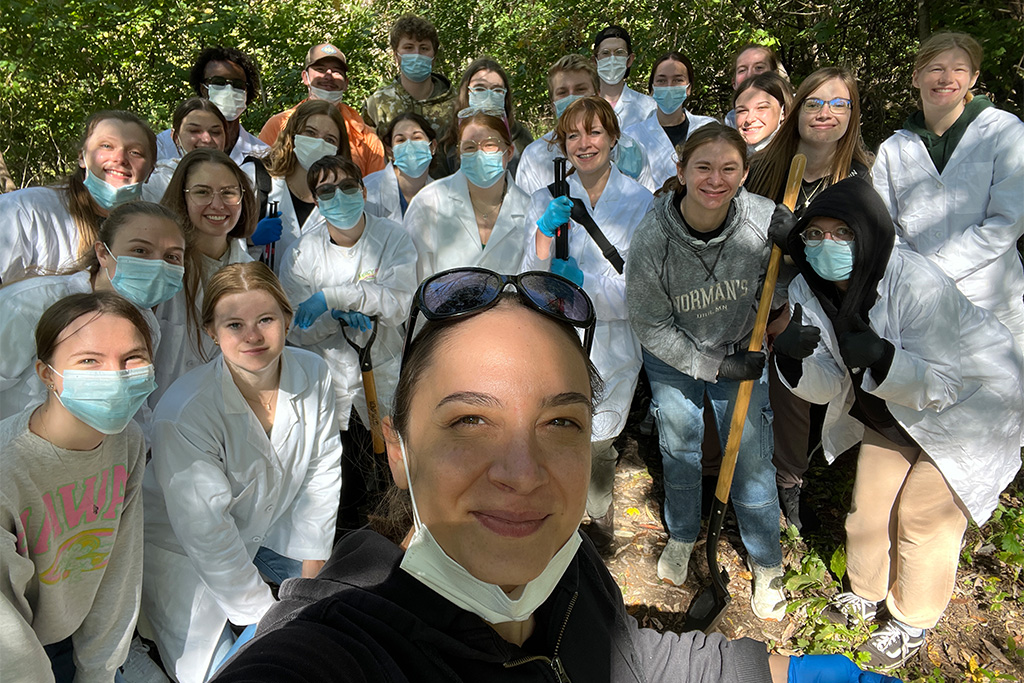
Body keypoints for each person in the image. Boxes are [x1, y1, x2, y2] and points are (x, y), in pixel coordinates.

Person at [210, 267, 900, 683]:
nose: (522, 472)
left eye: (561, 422)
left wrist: (782, 673)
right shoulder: (335, 647)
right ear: (397, 448)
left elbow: (627, 661)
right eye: (469, 422)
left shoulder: (566, 568)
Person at [772, 177, 1023, 669]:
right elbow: (827, 381)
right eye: (815, 235)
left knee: (922, 517)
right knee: (868, 505)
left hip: (971, 409)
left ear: (869, 235)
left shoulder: (915, 282)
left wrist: (884, 357)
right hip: (890, 408)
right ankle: (866, 593)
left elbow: (944, 385)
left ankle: (911, 618)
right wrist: (795, 360)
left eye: (842, 233)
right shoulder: (807, 286)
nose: (827, 246)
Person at [142, 262, 342, 683]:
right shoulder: (185, 411)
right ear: (212, 332)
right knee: (227, 673)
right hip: (185, 555)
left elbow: (321, 475)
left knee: (337, 617)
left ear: (287, 319)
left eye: (265, 319)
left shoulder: (315, 373)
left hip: (268, 533)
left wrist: (311, 577)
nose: (252, 336)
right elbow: (207, 532)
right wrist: (272, 617)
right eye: (234, 324)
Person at [626, 124, 788, 620]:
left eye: (728, 169)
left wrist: (794, 253)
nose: (715, 180)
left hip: (742, 347)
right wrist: (712, 365)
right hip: (675, 357)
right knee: (679, 449)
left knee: (753, 458)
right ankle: (681, 534)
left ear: (743, 174)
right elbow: (650, 324)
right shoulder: (653, 237)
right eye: (703, 167)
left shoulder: (763, 221)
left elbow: (780, 284)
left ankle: (766, 561)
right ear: (680, 171)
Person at [1, 291, 155, 682]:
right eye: (89, 361)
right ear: (46, 373)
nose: (115, 377)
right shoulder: (8, 469)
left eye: (132, 359)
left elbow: (121, 565)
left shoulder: (126, 439)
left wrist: (99, 672)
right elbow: (9, 638)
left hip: (78, 633)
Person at [520, 96, 652, 553]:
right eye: (573, 134)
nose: (584, 143)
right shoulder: (546, 198)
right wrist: (541, 237)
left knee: (600, 440)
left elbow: (641, 289)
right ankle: (555, 517)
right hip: (557, 337)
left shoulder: (641, 202)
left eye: (594, 132)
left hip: (615, 342)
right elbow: (527, 274)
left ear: (613, 137)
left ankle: (597, 517)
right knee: (556, 428)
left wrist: (583, 288)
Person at [746, 66, 871, 530]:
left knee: (796, 364)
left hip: (826, 298)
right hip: (759, 292)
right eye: (814, 103)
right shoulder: (764, 169)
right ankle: (723, 467)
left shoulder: (861, 177)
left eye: (839, 104)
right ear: (796, 112)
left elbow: (856, 260)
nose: (825, 113)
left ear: (852, 114)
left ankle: (789, 479)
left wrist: (796, 244)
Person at [280, 155, 418, 528]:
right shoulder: (300, 253)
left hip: (383, 370)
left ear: (363, 189)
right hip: (330, 381)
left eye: (346, 187)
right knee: (338, 481)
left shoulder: (392, 238)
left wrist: (333, 299)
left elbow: (398, 304)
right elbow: (294, 327)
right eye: (327, 191)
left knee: (394, 474)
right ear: (315, 199)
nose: (338, 197)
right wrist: (333, 319)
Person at [872, 32, 1024, 353]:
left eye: (959, 69)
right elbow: (885, 228)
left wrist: (933, 271)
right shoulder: (894, 148)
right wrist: (917, 278)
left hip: (992, 300)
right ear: (916, 77)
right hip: (920, 305)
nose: (946, 78)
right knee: (928, 397)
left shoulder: (1004, 132)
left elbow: (1007, 222)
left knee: (1000, 398)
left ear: (974, 78)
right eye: (935, 68)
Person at [0, 201, 187, 422]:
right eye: (140, 251)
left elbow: (132, 407)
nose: (158, 265)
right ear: (103, 253)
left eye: (172, 257)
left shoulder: (145, 322)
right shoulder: (28, 304)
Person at [0, 110, 157, 282]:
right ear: (82, 157)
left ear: (150, 170)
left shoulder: (156, 227)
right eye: (106, 146)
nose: (120, 158)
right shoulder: (23, 210)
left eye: (135, 152)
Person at [152, 149, 257, 405]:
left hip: (225, 421)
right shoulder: (158, 270)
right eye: (202, 192)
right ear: (182, 197)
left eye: (229, 192)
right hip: (158, 420)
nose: (218, 204)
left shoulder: (252, 273)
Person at [403, 110, 529, 282]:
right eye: (470, 147)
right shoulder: (429, 202)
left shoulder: (530, 209)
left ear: (509, 152)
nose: (480, 154)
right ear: (460, 155)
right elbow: (413, 282)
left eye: (490, 144)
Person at [515, 55, 651, 196]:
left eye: (580, 90)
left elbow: (648, 207)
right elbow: (528, 213)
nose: (572, 98)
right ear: (553, 104)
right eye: (562, 93)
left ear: (597, 95)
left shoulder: (630, 151)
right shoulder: (534, 156)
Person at [243, 100, 351, 273]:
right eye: (310, 132)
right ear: (293, 134)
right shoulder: (254, 177)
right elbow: (215, 240)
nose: (318, 143)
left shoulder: (342, 198)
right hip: (258, 294)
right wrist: (249, 239)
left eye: (329, 139)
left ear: (338, 149)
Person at [259, 43, 386, 178]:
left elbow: (376, 190)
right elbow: (261, 177)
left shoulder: (367, 138)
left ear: (346, 83)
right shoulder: (279, 125)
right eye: (320, 69)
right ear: (305, 77)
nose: (328, 75)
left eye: (336, 71)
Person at [155, 46, 269, 165]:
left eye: (237, 84)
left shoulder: (263, 155)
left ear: (247, 91)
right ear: (203, 88)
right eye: (218, 82)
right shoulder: (163, 147)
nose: (229, 90)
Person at [624, 51, 717, 192]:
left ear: (689, 88)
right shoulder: (632, 136)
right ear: (652, 88)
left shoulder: (709, 128)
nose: (669, 86)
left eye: (678, 80)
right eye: (661, 81)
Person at [362, 15, 456, 141]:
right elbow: (367, 152)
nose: (417, 54)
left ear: (434, 56)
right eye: (408, 48)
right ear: (396, 55)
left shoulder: (457, 104)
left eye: (424, 48)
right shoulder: (378, 104)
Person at [438, 57, 534, 177]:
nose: (488, 94)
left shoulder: (520, 137)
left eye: (497, 89)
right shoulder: (447, 138)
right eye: (479, 88)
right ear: (466, 92)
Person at [143, 98, 228, 202]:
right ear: (175, 137)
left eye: (215, 132)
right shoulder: (158, 183)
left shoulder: (240, 180)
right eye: (194, 131)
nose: (207, 139)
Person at [363, 112, 438, 222]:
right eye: (401, 140)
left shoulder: (442, 194)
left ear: (433, 147)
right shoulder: (369, 190)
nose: (409, 146)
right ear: (390, 151)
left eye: (417, 137)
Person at [592, 25, 657, 130]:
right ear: (595, 61)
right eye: (605, 53)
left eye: (619, 52)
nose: (612, 58)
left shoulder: (649, 107)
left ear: (630, 60)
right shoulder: (583, 105)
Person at [725, 43, 782, 129]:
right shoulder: (731, 120)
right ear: (734, 83)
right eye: (742, 70)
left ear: (775, 75)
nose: (750, 75)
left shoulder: (799, 108)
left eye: (759, 67)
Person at [734, 73, 793, 154]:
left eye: (761, 108)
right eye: (742, 111)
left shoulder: (799, 158)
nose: (749, 119)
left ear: (784, 111)